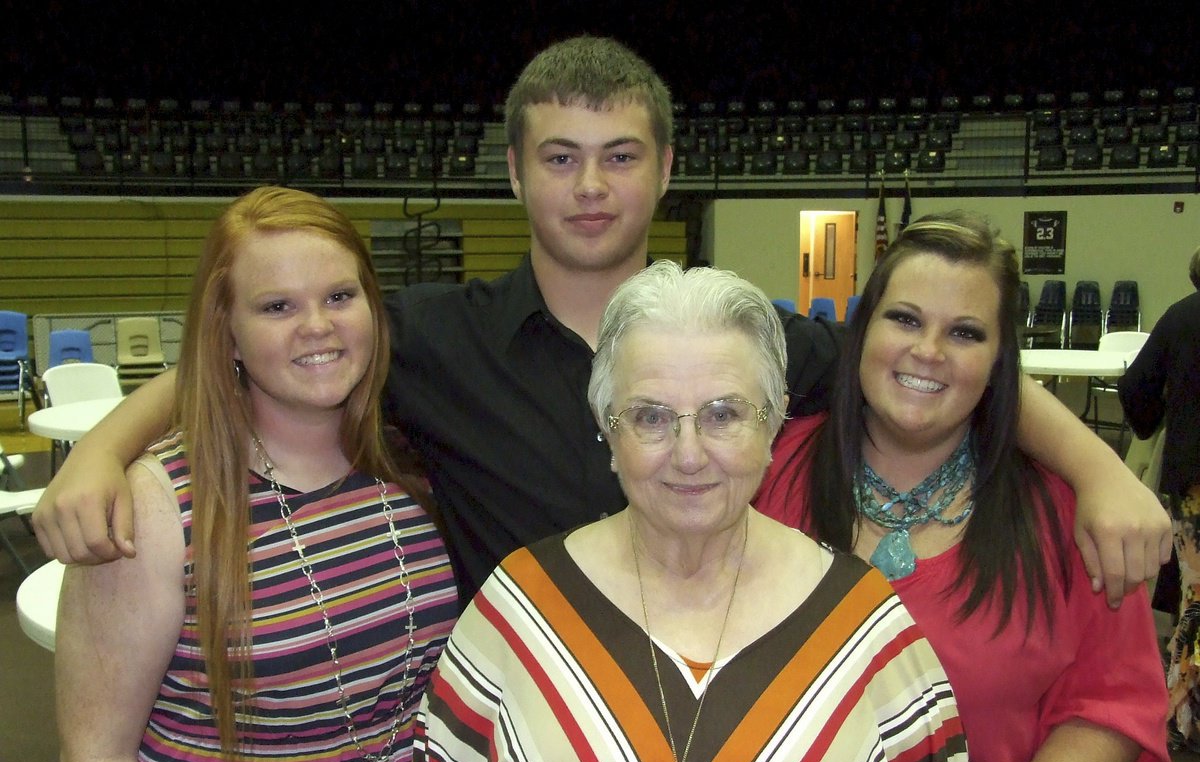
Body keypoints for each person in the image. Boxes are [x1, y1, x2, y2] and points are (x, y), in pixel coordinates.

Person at [32, 36, 1169, 611]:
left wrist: (1105, 473)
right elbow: (251, 361)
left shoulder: (740, 334)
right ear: (517, 172)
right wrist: (102, 446)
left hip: (714, 727)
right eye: (561, 158)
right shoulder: (427, 335)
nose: (591, 187)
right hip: (523, 727)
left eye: (621, 157)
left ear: (665, 170)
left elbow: (932, 374)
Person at [395, 261, 974, 762]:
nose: (690, 452)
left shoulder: (868, 629)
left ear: (773, 425)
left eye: (725, 413)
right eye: (652, 417)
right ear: (608, 430)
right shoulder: (516, 611)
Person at [755, 211, 1170, 762]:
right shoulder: (767, 477)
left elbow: (1115, 707)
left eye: (966, 332)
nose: (928, 353)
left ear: (1000, 362)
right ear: (860, 330)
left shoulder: (1067, 512)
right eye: (904, 318)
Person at [56, 187, 458, 762]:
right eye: (277, 306)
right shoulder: (162, 506)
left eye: (339, 296)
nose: (317, 326)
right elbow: (95, 756)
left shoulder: (407, 470)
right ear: (227, 332)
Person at [1119, 246, 1200, 750]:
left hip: (1194, 479)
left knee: (1197, 600)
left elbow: (1137, 387)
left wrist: (1156, 421)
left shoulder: (1183, 316)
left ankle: (1182, 716)